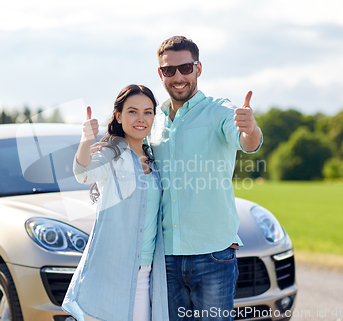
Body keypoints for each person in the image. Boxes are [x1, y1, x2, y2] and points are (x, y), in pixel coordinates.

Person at [148, 36, 263, 321]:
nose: (178, 77)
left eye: (185, 68)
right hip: (166, 257)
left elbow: (247, 142)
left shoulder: (219, 111)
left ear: (198, 68)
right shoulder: (154, 120)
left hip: (213, 256)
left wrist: (251, 129)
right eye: (169, 70)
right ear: (160, 73)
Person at [62, 84, 169, 321]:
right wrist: (85, 142)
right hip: (110, 272)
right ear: (119, 116)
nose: (141, 118)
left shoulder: (156, 159)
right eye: (132, 111)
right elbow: (84, 172)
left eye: (148, 112)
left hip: (146, 273)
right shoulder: (111, 154)